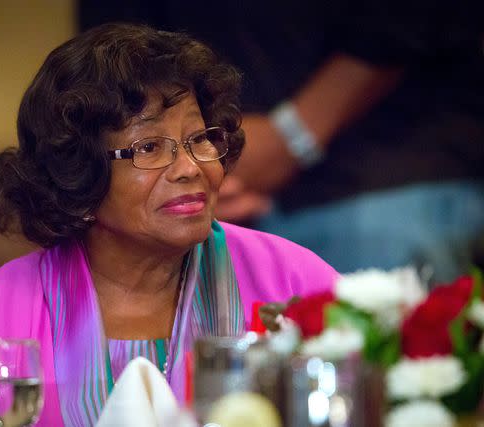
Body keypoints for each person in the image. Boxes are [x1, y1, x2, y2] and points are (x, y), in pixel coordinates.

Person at [0, 23, 336, 426]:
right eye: (149, 147)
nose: (189, 168)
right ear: (78, 175)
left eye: (199, 139)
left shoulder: (296, 282)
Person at [79, 0, 484, 283]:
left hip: (380, 174)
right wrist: (186, 164)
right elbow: (109, 48)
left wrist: (292, 135)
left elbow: (411, 15)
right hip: (203, 207)